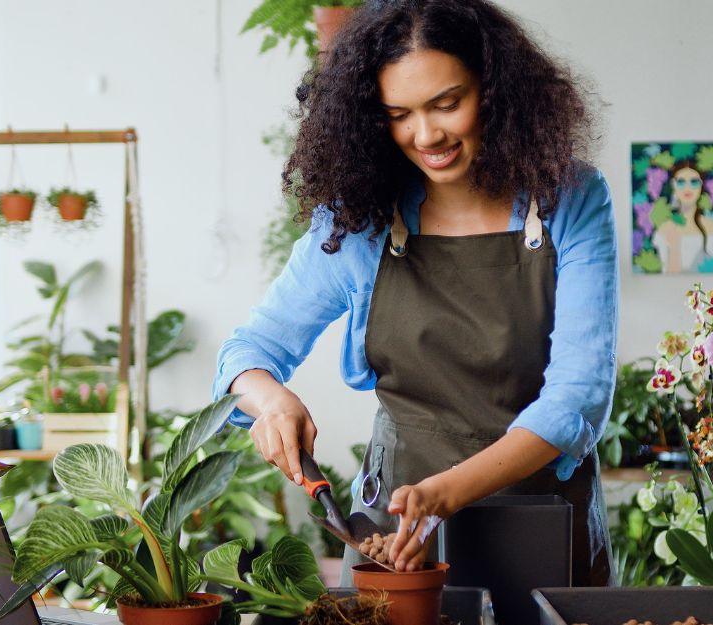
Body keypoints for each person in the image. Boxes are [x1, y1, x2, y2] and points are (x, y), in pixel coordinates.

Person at [212, 0, 617, 585]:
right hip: (392, 535)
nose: (426, 134)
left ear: (497, 90)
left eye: (447, 104)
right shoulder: (357, 220)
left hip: (543, 523)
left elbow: (576, 400)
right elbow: (246, 354)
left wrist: (442, 495)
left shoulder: (569, 199)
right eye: (398, 113)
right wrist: (271, 401)